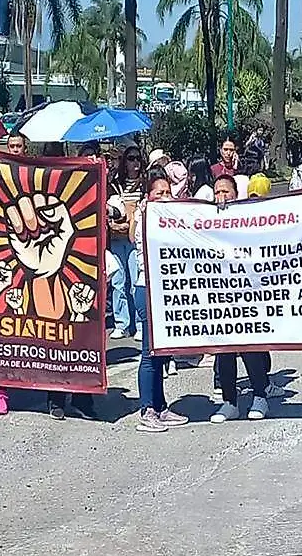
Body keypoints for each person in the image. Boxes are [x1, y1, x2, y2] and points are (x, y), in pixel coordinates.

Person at [207, 175, 275, 422]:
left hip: (248, 292)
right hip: (221, 293)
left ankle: (260, 396)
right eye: (217, 192)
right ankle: (229, 402)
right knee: (224, 349)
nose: (221, 196)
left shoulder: (249, 215)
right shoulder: (205, 218)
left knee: (250, 347)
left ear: (236, 194)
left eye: (225, 191)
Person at [133, 169, 190, 432]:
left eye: (168, 192)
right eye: (159, 193)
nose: (165, 197)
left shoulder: (170, 218)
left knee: (161, 354)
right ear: (148, 196)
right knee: (149, 353)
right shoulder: (144, 218)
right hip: (147, 289)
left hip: (165, 291)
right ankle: (147, 410)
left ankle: (160, 406)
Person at [108, 146, 144, 339]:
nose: (135, 162)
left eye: (138, 158)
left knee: (136, 281)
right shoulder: (115, 184)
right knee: (118, 281)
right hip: (117, 237)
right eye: (131, 158)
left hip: (135, 239)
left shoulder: (144, 184)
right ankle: (121, 323)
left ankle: (139, 323)